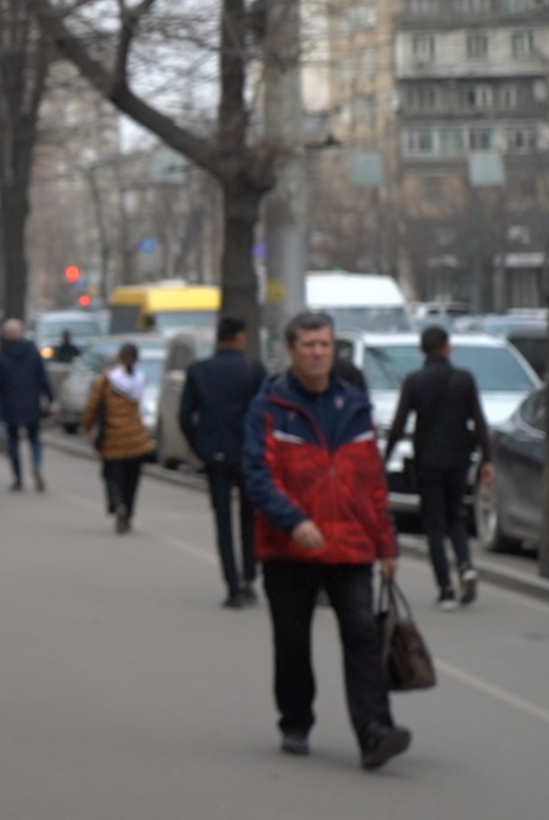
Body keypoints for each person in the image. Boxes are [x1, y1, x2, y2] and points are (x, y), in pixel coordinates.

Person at [245, 312, 410, 770]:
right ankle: (295, 721)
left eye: (325, 345)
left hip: (350, 543)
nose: (319, 353)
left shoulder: (354, 405)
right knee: (293, 640)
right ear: (292, 351)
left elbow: (372, 481)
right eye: (309, 345)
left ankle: (375, 730)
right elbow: (258, 476)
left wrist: (387, 543)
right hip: (290, 548)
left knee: (362, 633)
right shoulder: (271, 407)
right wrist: (293, 521)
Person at [385, 326, 495, 610]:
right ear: (447, 347)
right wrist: (487, 460)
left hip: (427, 462)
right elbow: (479, 422)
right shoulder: (464, 380)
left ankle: (445, 589)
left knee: (434, 524)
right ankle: (466, 565)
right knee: (455, 517)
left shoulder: (414, 381)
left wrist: (384, 459)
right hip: (458, 460)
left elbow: (398, 425)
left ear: (422, 350)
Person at [179, 315, 269, 609]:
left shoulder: (199, 370)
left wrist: (200, 447)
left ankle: (231, 585)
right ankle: (249, 578)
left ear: (218, 338)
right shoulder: (253, 368)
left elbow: (184, 416)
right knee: (248, 517)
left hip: (215, 455)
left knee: (222, 520)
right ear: (240, 337)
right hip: (248, 454)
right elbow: (266, 412)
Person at [83, 342, 154, 534]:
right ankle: (128, 513)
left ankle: (118, 504)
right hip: (136, 439)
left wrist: (87, 428)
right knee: (132, 479)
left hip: (112, 439)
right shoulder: (140, 380)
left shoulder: (106, 381)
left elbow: (92, 407)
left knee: (111, 475)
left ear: (119, 358)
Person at [0, 318, 53, 493]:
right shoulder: (32, 351)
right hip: (32, 401)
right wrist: (50, 398)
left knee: (13, 440)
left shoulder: (0, 355)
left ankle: (18, 478)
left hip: (9, 403)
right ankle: (36, 464)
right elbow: (42, 377)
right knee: (35, 439)